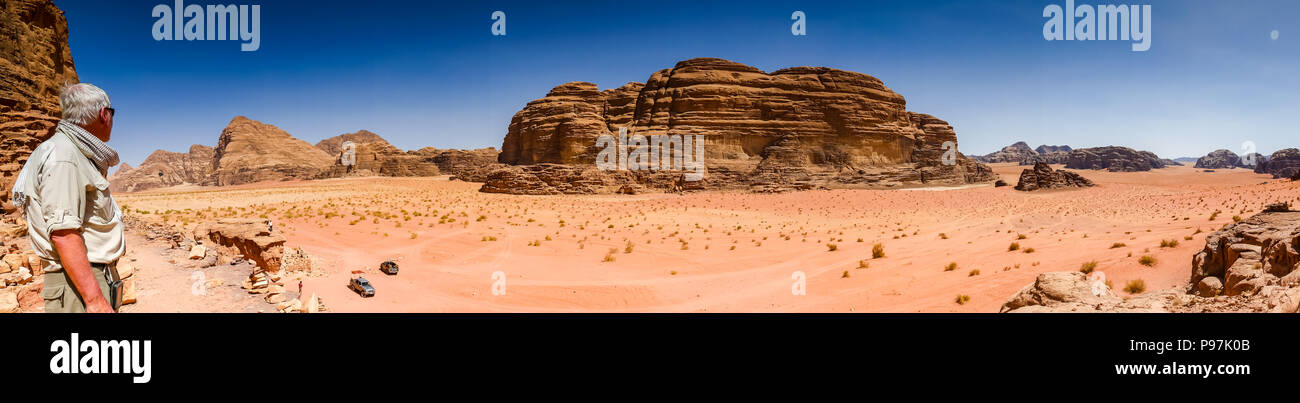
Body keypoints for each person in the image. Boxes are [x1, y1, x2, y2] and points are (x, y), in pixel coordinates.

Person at [12, 83, 125, 313]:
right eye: (112, 113)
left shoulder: (72, 152)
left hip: (84, 281)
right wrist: (94, 300)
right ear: (104, 114)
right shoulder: (65, 155)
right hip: (79, 286)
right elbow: (64, 234)